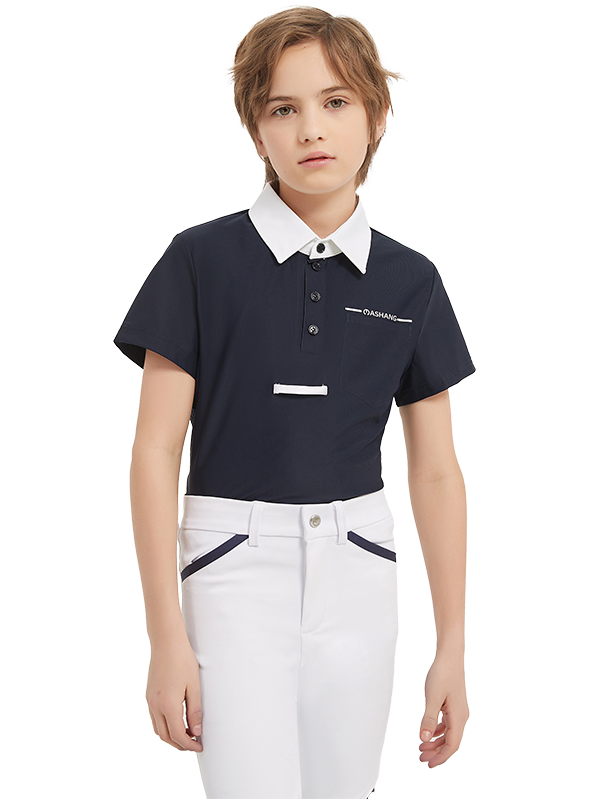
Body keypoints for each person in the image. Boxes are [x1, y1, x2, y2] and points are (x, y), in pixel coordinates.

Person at [113, 7, 475, 799]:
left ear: (376, 116)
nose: (312, 128)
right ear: (256, 131)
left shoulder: (412, 281)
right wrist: (164, 637)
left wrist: (451, 646)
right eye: (284, 108)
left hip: (361, 565)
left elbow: (437, 472)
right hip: (230, 568)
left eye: (336, 101)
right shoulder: (199, 260)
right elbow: (154, 452)